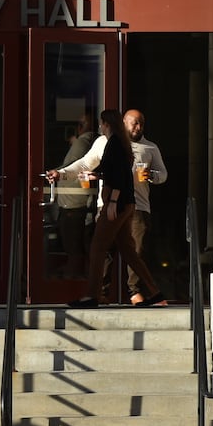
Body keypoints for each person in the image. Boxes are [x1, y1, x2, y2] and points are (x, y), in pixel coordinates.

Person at [70, 110, 165, 308]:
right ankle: (155, 292)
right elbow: (114, 172)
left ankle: (91, 296)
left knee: (98, 248)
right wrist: (97, 176)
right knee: (130, 253)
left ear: (106, 124)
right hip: (126, 204)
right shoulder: (118, 144)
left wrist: (112, 202)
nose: (99, 128)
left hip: (117, 204)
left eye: (101, 124)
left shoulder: (115, 144)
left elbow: (120, 177)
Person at [117, 109, 169, 304]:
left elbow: (163, 174)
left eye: (141, 124)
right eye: (134, 123)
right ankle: (101, 293)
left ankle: (134, 291)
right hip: (110, 205)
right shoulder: (110, 144)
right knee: (105, 250)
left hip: (139, 206)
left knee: (137, 250)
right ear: (124, 123)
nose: (138, 127)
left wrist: (152, 176)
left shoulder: (150, 148)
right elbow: (88, 163)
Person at [52, 112, 99, 278]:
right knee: (82, 247)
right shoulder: (90, 142)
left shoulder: (84, 140)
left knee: (74, 249)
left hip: (74, 204)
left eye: (82, 124)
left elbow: (73, 166)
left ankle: (72, 283)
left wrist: (55, 174)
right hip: (81, 203)